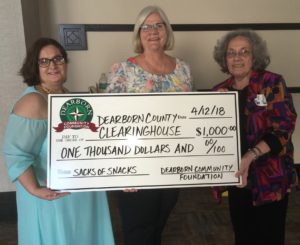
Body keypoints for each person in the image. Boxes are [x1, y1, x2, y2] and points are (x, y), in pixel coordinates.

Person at [2, 37, 115, 245]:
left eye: (58, 59)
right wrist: (35, 189)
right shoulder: (33, 101)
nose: (52, 65)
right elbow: (16, 153)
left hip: (82, 193)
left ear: (66, 62)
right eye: (43, 61)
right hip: (53, 197)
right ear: (34, 67)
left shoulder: (68, 98)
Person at [105, 5, 192, 245]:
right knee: (138, 231)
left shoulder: (183, 69)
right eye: (146, 26)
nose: (152, 31)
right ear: (138, 33)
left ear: (167, 31)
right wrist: (122, 170)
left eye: (158, 25)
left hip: (172, 165)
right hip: (135, 168)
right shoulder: (122, 70)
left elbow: (190, 117)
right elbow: (110, 125)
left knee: (158, 225)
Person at [212, 29, 298, 245]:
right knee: (243, 235)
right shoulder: (219, 91)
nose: (237, 58)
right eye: (231, 53)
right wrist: (213, 107)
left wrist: (250, 155)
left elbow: (284, 127)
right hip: (237, 178)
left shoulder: (271, 82)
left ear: (254, 56)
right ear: (225, 58)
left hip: (270, 178)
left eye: (244, 52)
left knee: (269, 237)